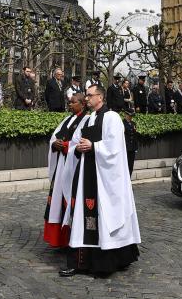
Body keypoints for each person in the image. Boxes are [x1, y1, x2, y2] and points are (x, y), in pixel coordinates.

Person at [59, 84, 141, 277]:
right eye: (86, 96)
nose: (86, 99)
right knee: (82, 217)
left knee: (104, 215)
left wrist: (94, 146)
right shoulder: (87, 119)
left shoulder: (111, 117)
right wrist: (77, 148)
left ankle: (111, 261)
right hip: (85, 175)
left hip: (103, 178)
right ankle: (80, 263)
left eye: (89, 95)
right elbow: (75, 143)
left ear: (100, 97)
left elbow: (115, 147)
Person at [43, 92, 87, 249]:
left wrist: (68, 146)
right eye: (69, 102)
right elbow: (54, 138)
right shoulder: (67, 120)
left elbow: (82, 142)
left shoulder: (86, 120)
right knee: (57, 199)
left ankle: (71, 238)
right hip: (61, 163)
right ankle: (58, 239)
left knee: (70, 199)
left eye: (73, 102)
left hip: (73, 165)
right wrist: (55, 145)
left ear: (82, 103)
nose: (69, 104)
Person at [122, 108, 138, 176]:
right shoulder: (122, 123)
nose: (131, 117)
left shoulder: (133, 123)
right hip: (125, 147)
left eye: (131, 116)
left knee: (131, 165)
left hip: (132, 147)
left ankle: (129, 180)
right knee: (125, 165)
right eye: (129, 115)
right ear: (126, 115)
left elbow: (135, 136)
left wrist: (136, 147)